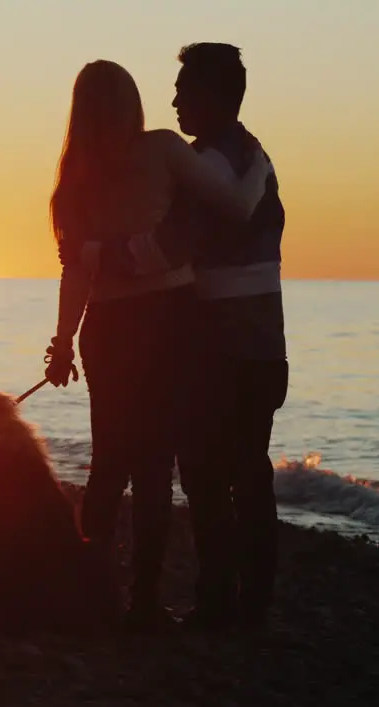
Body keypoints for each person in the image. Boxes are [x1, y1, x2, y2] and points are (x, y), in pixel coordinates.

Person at [42, 59, 271, 630]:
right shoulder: (165, 149)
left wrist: (63, 342)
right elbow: (233, 206)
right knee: (153, 469)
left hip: (106, 328)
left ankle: (87, 590)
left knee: (108, 460)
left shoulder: (73, 179)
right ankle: (143, 603)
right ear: (132, 103)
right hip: (169, 323)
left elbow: (76, 274)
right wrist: (260, 166)